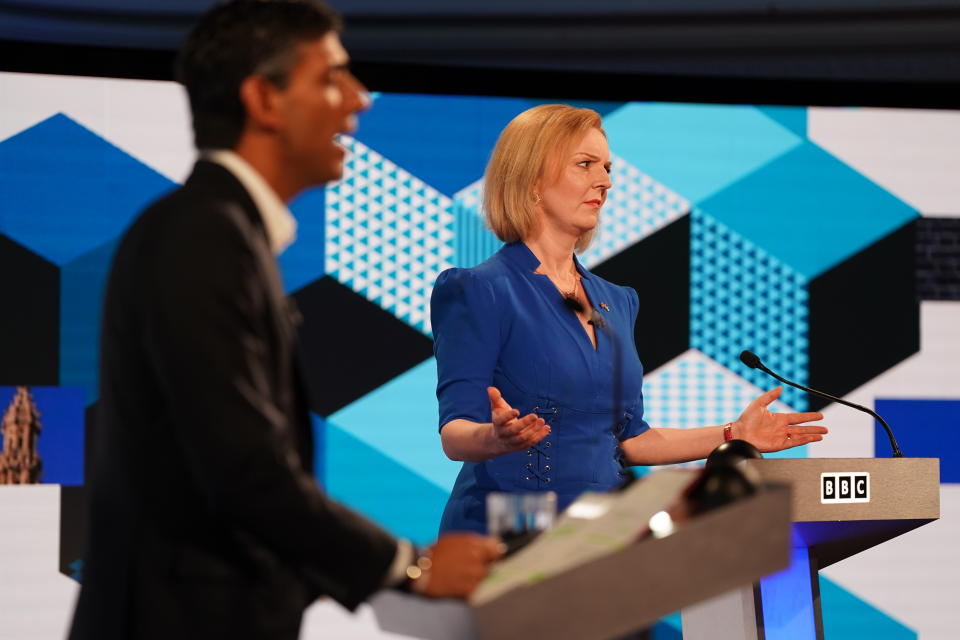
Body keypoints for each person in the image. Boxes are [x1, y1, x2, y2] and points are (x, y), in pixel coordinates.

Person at [68, 2, 500, 639]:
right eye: (332, 77)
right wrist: (409, 567)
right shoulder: (200, 237)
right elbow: (243, 470)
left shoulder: (224, 234)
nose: (359, 99)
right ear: (264, 101)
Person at [431, 104, 828, 534]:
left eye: (606, 167)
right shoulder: (479, 289)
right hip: (507, 531)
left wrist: (734, 433)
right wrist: (496, 437)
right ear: (532, 181)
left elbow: (631, 440)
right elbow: (456, 433)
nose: (605, 181)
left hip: (602, 534)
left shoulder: (616, 302)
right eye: (585, 165)